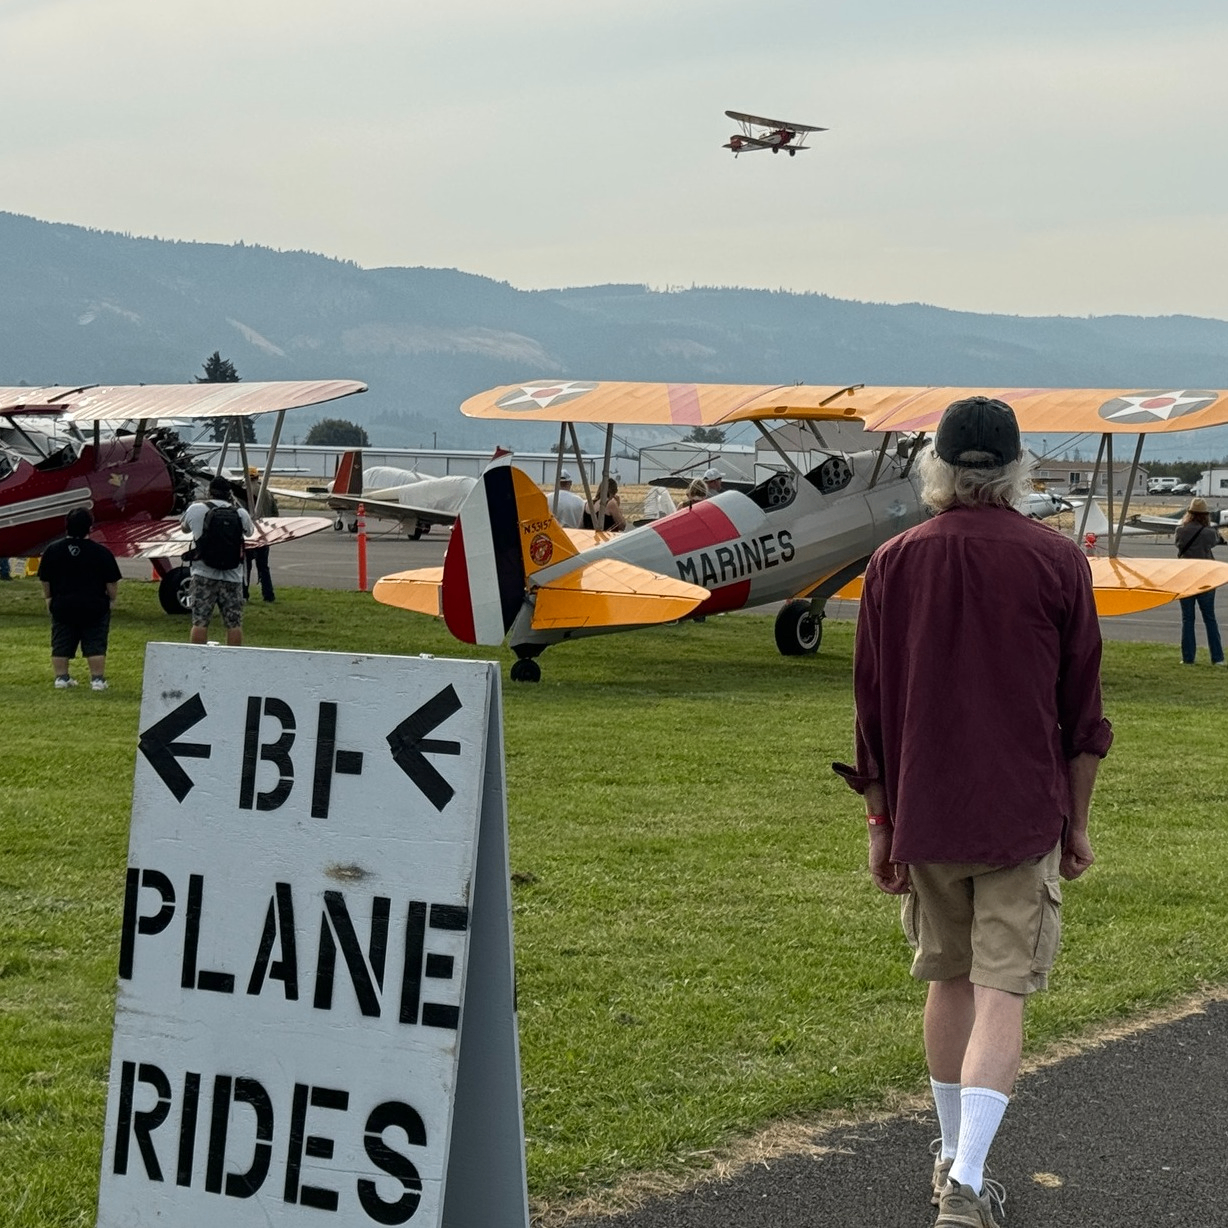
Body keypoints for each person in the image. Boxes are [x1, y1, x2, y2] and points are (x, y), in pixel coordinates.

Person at [832, 397, 1112, 1228]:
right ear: (1018, 470)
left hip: (927, 813)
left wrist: (880, 824)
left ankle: (949, 1156)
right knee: (1002, 994)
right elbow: (1082, 713)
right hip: (1020, 813)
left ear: (940, 470)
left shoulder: (893, 561)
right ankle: (968, 1179)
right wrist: (1079, 823)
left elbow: (871, 713)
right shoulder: (1058, 562)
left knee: (946, 980)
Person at [37, 508, 121, 690]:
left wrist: (49, 598)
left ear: (66, 526)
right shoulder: (101, 552)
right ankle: (97, 679)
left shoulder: (53, 550)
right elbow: (111, 581)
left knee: (61, 642)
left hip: (63, 603)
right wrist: (112, 600)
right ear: (89, 528)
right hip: (94, 604)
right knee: (95, 642)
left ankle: (61, 677)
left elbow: (45, 578)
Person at [181, 474, 255, 646]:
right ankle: (233, 659)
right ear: (229, 493)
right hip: (232, 575)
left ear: (209, 491)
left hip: (203, 573)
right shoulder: (240, 513)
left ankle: (198, 657)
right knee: (234, 623)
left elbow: (184, 528)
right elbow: (249, 532)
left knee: (200, 621)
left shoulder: (196, 509)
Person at [1174, 497, 1224, 665]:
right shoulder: (1210, 532)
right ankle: (1217, 658)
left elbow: (1178, 545)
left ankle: (1188, 657)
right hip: (1206, 578)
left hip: (1186, 578)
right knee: (1210, 618)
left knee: (1188, 619)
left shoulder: (1181, 531)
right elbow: (1214, 543)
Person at [237, 478, 277, 603]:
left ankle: (244, 594)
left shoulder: (244, 492)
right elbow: (275, 513)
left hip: (250, 534)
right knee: (263, 566)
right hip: (264, 533)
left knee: (246, 566)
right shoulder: (267, 492)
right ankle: (268, 594)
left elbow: (240, 512)